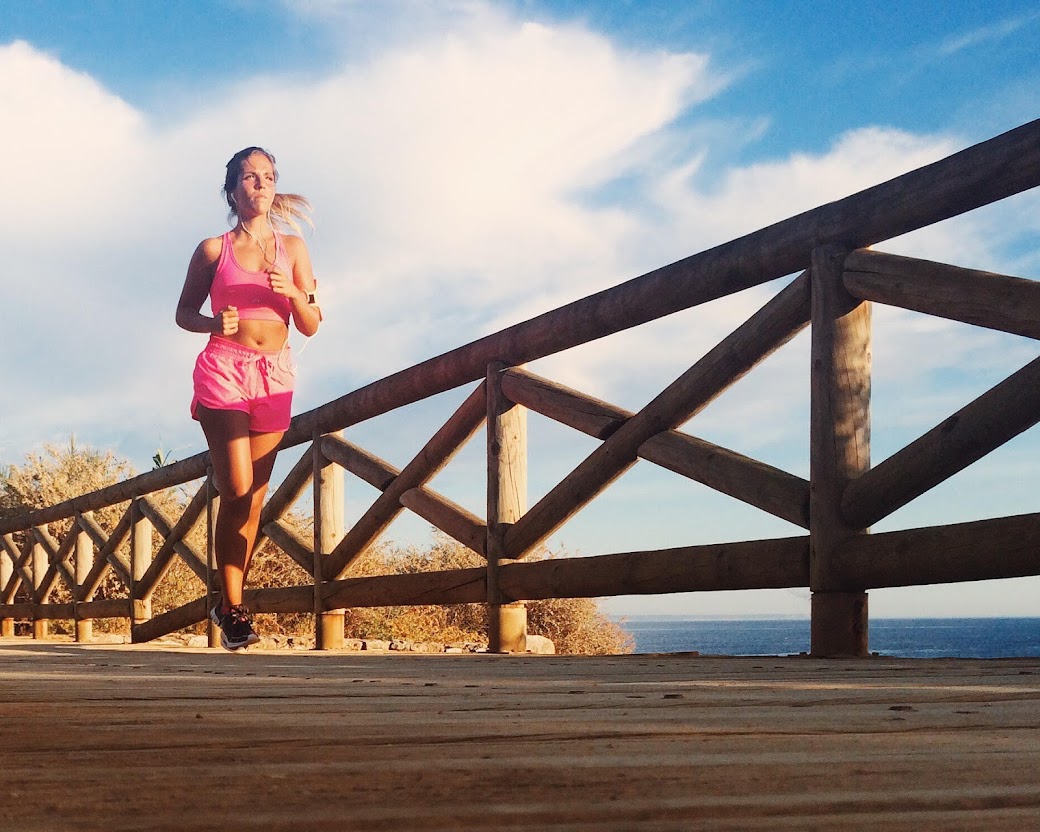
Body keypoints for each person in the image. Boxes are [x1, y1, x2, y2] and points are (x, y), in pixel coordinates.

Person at [176, 147, 321, 649]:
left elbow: (312, 323)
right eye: (249, 177)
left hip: (275, 375)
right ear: (232, 190)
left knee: (255, 496)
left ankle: (231, 607)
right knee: (237, 487)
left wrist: (294, 294)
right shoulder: (212, 250)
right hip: (224, 368)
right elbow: (183, 313)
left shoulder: (293, 248)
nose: (260, 184)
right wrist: (213, 323)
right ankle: (231, 603)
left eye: (268, 177)